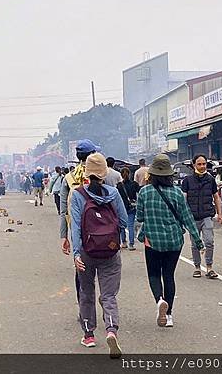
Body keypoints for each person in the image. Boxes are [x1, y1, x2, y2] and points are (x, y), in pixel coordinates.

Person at [136, 154, 204, 328]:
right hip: (174, 241)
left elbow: (140, 217)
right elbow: (187, 217)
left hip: (152, 241)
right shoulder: (177, 193)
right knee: (168, 276)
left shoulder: (144, 192)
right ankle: (169, 314)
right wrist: (198, 241)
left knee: (153, 274)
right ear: (169, 174)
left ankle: (159, 300)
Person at [71, 153, 127, 358]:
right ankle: (111, 330)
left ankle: (89, 335)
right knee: (109, 295)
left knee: (87, 292)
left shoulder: (77, 195)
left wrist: (76, 253)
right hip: (110, 251)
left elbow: (75, 226)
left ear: (87, 174)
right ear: (104, 174)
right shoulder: (113, 193)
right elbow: (122, 220)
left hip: (87, 251)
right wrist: (114, 239)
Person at [59, 139, 100, 304]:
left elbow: (63, 211)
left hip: (78, 230)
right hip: (102, 229)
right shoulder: (103, 174)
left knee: (81, 270)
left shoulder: (68, 178)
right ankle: (108, 303)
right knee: (104, 270)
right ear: (92, 155)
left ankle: (84, 307)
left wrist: (64, 236)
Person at [181, 154, 222, 279]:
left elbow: (216, 197)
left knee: (209, 241)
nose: (202, 166)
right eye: (199, 164)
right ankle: (197, 267)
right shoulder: (187, 181)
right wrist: (182, 216)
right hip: (192, 217)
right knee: (195, 244)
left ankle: (209, 267)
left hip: (207, 215)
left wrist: (219, 213)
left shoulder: (210, 180)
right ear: (194, 165)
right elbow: (183, 199)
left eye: (204, 164)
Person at [116, 167, 139, 250]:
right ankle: (131, 244)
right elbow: (139, 193)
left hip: (122, 207)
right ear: (129, 174)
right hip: (132, 207)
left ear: (121, 175)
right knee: (131, 225)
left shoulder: (119, 186)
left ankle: (124, 242)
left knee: (122, 225)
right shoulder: (134, 184)